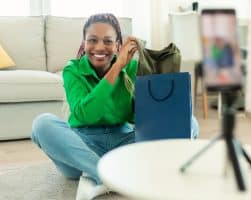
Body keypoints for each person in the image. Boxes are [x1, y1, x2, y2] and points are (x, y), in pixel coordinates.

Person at [31, 13, 199, 200]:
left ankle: (106, 175)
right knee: (42, 124)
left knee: (190, 122)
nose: (99, 47)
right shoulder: (73, 70)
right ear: (84, 43)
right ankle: (106, 174)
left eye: (108, 41)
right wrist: (116, 68)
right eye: (92, 40)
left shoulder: (132, 69)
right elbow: (85, 114)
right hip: (81, 149)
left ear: (118, 45)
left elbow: (140, 118)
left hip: (123, 144)